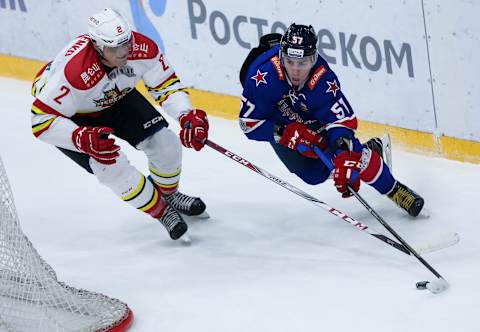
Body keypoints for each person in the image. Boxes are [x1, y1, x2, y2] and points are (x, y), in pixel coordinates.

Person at [30, 8, 210, 241]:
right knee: (111, 168)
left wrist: (187, 115)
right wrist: (79, 138)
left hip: (115, 97)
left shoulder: (143, 49)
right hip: (74, 118)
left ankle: (169, 195)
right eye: (115, 47)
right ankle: (162, 212)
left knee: (166, 145)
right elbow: (40, 121)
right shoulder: (74, 73)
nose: (125, 51)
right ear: (97, 46)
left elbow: (166, 84)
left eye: (127, 42)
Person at [239, 23, 424, 217]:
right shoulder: (262, 78)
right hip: (278, 116)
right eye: (290, 61)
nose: (295, 70)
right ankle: (368, 150)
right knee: (312, 175)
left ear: (313, 59)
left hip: (309, 113)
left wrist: (344, 156)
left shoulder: (322, 79)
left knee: (347, 152)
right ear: (281, 57)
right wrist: (284, 133)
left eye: (302, 63)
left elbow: (340, 123)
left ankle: (393, 189)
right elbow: (249, 125)